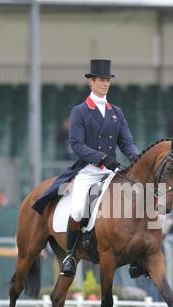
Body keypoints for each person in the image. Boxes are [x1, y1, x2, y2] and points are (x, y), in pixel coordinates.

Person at [32, 59, 140, 277]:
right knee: (79, 207)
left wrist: (135, 154)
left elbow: (126, 141)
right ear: (91, 82)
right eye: (101, 80)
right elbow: (77, 144)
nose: (105, 84)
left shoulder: (116, 112)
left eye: (107, 80)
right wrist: (101, 158)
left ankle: (135, 256)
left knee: (136, 201)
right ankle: (70, 255)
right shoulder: (80, 111)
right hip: (89, 170)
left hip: (111, 171)